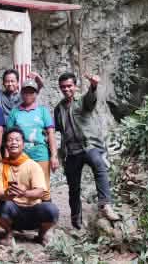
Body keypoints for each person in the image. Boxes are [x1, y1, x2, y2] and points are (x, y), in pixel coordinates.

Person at [54, 73, 120, 229]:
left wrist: (94, 86)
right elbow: (56, 129)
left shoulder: (82, 101)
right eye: (63, 87)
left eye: (69, 86)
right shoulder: (59, 108)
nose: (66, 89)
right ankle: (76, 222)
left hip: (88, 146)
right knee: (73, 187)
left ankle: (105, 205)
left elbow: (91, 101)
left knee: (99, 165)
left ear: (75, 86)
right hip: (71, 151)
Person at [0, 128, 59, 246]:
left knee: (51, 209)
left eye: (17, 140)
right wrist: (7, 194)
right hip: (13, 210)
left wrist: (24, 193)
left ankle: (42, 234)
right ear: (5, 145)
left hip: (33, 210)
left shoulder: (33, 166)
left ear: (23, 144)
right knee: (1, 205)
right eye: (10, 140)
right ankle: (9, 234)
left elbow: (40, 192)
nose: (13, 142)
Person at [6, 79, 58, 200]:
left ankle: (46, 215)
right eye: (26, 92)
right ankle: (25, 216)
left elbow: (50, 133)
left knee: (43, 187)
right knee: (22, 185)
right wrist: (7, 157)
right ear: (21, 93)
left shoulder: (42, 111)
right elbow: (8, 135)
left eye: (32, 92)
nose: (28, 95)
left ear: (36, 94)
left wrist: (54, 156)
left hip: (40, 152)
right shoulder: (15, 112)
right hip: (20, 154)